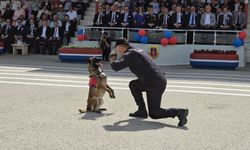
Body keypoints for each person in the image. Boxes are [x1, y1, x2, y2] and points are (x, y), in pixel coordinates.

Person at [109, 38, 189, 127]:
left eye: (116, 48)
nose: (116, 50)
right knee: (134, 85)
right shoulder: (138, 50)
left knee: (154, 113)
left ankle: (179, 112)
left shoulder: (129, 54)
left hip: (154, 83)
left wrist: (112, 58)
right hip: (156, 80)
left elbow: (116, 67)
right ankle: (141, 111)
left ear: (121, 47)